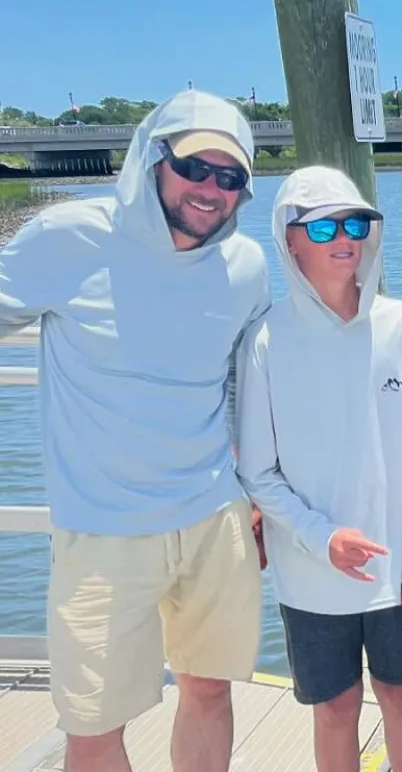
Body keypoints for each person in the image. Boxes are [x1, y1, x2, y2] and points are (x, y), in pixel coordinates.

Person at [0, 90, 270, 772]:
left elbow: (249, 386)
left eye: (230, 176)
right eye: (194, 167)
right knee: (92, 726)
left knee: (209, 689)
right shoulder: (67, 235)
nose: (211, 189)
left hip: (215, 517)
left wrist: (258, 488)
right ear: (154, 158)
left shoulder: (247, 267)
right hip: (101, 529)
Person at [236, 165, 402, 772]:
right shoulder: (266, 340)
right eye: (325, 225)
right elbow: (258, 472)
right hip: (308, 574)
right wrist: (320, 537)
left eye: (357, 223)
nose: (345, 237)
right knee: (334, 708)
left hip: (398, 571)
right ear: (290, 238)